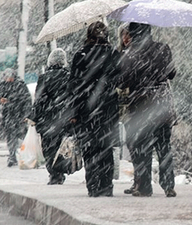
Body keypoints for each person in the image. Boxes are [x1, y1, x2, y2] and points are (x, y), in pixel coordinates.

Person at [119, 22, 177, 197]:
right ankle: (168, 185)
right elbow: (171, 74)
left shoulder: (130, 54)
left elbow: (123, 81)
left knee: (142, 147)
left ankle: (144, 186)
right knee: (164, 146)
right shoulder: (163, 48)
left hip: (141, 105)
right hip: (161, 104)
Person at [69, 21, 121, 197]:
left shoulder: (80, 55)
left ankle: (93, 186)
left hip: (86, 111)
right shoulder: (113, 53)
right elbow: (119, 79)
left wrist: (74, 113)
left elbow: (74, 86)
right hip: (108, 110)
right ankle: (106, 186)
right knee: (106, 148)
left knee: (90, 149)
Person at [27, 48, 71, 185]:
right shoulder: (69, 76)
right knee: (62, 146)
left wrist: (33, 116)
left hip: (47, 119)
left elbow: (39, 99)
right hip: (63, 118)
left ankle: (54, 173)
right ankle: (60, 170)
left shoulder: (45, 77)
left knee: (49, 147)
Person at [0, 68, 32, 167]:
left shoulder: (20, 85)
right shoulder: (2, 85)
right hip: (8, 115)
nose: (8, 79)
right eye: (6, 77)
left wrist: (26, 114)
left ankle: (28, 156)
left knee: (23, 135)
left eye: (10, 77)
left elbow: (26, 100)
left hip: (19, 114)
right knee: (11, 136)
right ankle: (12, 157)